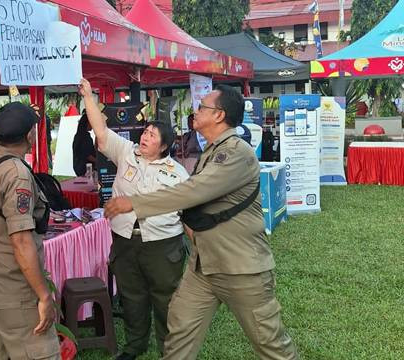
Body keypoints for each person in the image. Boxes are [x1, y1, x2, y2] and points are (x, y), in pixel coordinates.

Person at [104, 85, 299, 360]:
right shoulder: (212, 150)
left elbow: (193, 191)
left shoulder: (235, 153)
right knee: (179, 332)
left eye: (201, 107)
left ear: (219, 115)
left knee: (270, 344)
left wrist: (135, 203)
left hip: (240, 267)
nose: (195, 111)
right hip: (204, 267)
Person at [79, 79, 189, 360]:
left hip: (162, 245)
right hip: (126, 241)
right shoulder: (127, 153)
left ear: (164, 146)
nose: (145, 137)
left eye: (153, 135)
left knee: (166, 301)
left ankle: (170, 350)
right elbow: (101, 133)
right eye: (146, 132)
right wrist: (89, 97)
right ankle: (134, 346)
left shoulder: (177, 173)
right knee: (132, 298)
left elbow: (187, 212)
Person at [0, 102, 60, 360]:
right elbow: (20, 240)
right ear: (29, 135)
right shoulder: (15, 174)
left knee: (1, 354)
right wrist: (43, 296)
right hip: (14, 287)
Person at [71, 110, 96, 177]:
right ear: (87, 123)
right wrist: (99, 162)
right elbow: (88, 155)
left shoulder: (78, 135)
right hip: (85, 169)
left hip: (78, 167)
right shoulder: (85, 137)